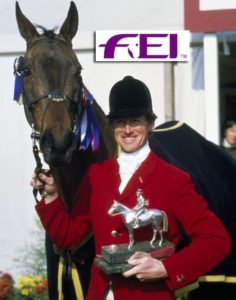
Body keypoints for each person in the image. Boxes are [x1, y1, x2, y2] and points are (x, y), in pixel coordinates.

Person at [32, 76, 231, 300]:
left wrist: (167, 269)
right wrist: (51, 197)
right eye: (120, 122)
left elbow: (216, 240)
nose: (127, 130)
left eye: (135, 121)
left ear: (150, 124)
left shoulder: (174, 179)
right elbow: (70, 237)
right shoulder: (96, 176)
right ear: (111, 126)